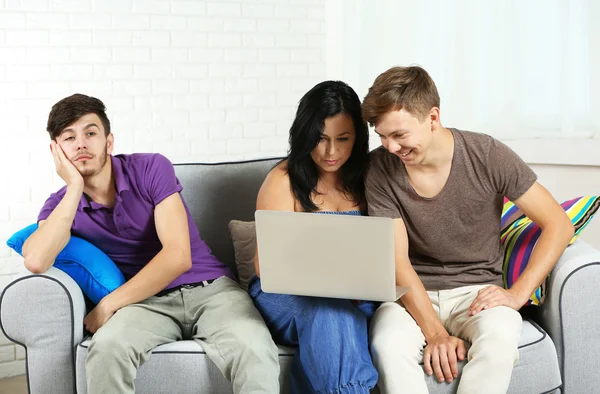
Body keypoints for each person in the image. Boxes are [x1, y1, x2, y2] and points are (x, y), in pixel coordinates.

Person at [22, 94, 279, 394]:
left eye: (90, 133)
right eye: (68, 137)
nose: (80, 144)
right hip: (146, 304)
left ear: (109, 141)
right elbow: (37, 260)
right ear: (56, 151)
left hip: (211, 290)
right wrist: (74, 187)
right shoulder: (60, 206)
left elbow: (178, 256)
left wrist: (108, 304)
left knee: (254, 347)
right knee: (106, 349)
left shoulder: (150, 168)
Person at [361, 66, 574, 394]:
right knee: (387, 343)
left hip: (476, 292)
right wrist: (435, 333)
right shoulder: (379, 169)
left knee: (501, 339)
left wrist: (518, 293)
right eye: (382, 136)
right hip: (410, 295)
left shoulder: (487, 155)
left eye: (399, 135)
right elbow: (397, 263)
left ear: (433, 117)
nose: (390, 147)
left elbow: (558, 223)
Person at [248, 81, 379, 394]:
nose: (331, 152)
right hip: (285, 295)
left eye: (343, 139)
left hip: (359, 295)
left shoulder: (371, 177)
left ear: (358, 138)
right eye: (320, 139)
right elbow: (266, 264)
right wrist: (333, 286)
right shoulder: (283, 179)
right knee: (331, 311)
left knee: (347, 314)